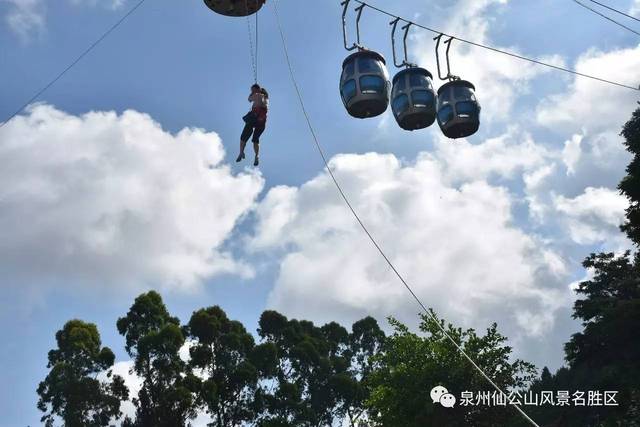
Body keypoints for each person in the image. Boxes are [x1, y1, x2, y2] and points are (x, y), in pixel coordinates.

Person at [237, 84, 269, 166]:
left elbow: (249, 99)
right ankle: (257, 156)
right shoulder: (266, 98)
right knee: (255, 139)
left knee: (243, 136)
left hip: (253, 119)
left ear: (256, 89)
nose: (251, 91)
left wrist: (252, 94)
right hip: (262, 122)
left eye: (252, 90)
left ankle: (241, 152)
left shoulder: (256, 95)